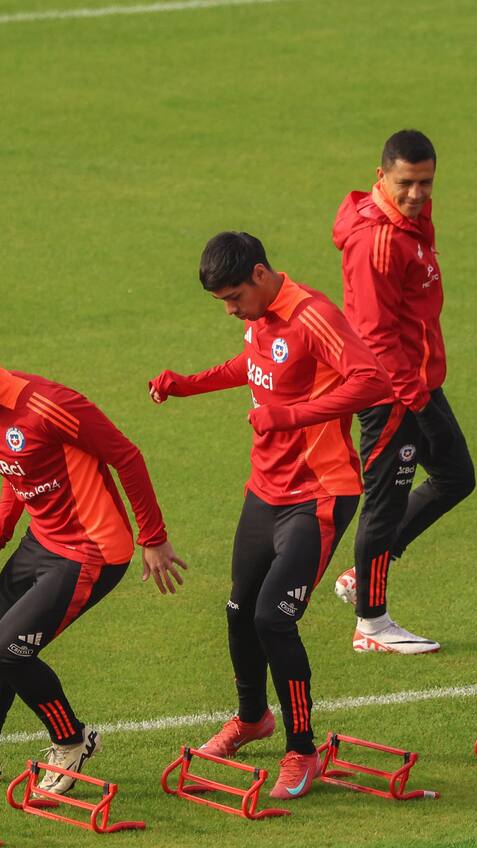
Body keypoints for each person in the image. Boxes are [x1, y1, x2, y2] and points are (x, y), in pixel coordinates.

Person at [149, 232, 391, 800]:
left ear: (261, 274)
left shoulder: (313, 314)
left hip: (320, 494)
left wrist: (291, 417)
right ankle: (253, 718)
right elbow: (255, 367)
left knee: (273, 620)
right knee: (239, 611)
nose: (231, 310)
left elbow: (372, 380)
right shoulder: (261, 318)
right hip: (265, 492)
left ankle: (302, 751)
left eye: (234, 297)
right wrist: (189, 385)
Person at [0, 314, 186, 791]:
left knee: (11, 651)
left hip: (92, 551)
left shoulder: (51, 405)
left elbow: (127, 456)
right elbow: (15, 472)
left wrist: (153, 537)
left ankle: (73, 741)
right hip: (42, 542)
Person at [331, 130, 476, 654]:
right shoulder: (379, 241)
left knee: (456, 476)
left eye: (426, 182)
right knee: (383, 505)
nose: (417, 193)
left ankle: (365, 571)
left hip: (418, 383)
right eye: (406, 183)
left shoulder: (409, 218)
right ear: (381, 177)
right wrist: (416, 402)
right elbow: (374, 338)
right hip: (391, 393)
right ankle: (371, 623)